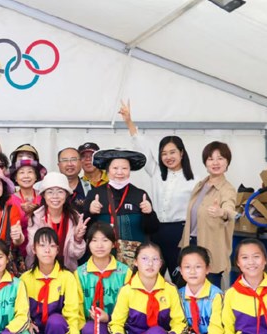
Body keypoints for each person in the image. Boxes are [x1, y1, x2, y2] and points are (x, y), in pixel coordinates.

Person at [120, 100, 195, 284]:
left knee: (182, 279)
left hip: (180, 233)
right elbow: (141, 147)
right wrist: (129, 122)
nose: (168, 157)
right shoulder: (155, 172)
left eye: (172, 152)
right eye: (164, 153)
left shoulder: (194, 181)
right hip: (156, 231)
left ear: (182, 153)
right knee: (151, 278)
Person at [65, 222, 129, 334]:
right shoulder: (80, 273)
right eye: (94, 240)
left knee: (95, 332)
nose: (99, 245)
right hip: (88, 330)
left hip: (118, 326)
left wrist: (110, 317)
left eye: (105, 240)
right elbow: (76, 310)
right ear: (88, 244)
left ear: (113, 244)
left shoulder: (124, 272)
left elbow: (130, 306)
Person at [19, 227, 81, 334]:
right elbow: (20, 311)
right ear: (34, 249)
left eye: (52, 246)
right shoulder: (25, 279)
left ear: (58, 250)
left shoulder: (67, 277)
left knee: (56, 321)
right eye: (42, 246)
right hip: (35, 331)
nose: (47, 250)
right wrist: (27, 323)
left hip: (57, 332)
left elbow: (73, 314)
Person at [86, 148, 159, 268]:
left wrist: (149, 213)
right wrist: (90, 212)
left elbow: (152, 229)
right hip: (103, 255)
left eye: (124, 168)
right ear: (107, 170)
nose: (120, 172)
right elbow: (85, 229)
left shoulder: (140, 194)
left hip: (134, 257)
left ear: (130, 170)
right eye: (115, 168)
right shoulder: (95, 194)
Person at [180, 141, 237, 287]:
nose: (215, 163)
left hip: (211, 247)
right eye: (211, 159)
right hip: (192, 244)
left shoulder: (227, 189)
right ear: (205, 163)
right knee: (191, 289)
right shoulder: (200, 185)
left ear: (227, 162)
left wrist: (221, 212)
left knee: (211, 289)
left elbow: (230, 211)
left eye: (220, 158)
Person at [169, 245, 223, 334]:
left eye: (198, 267)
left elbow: (217, 329)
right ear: (180, 270)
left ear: (207, 269)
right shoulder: (178, 295)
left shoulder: (216, 295)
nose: (192, 272)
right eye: (187, 267)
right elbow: (177, 322)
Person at [25, 172, 88, 270]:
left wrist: (77, 239)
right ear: (44, 195)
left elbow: (76, 255)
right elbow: (30, 251)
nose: (55, 196)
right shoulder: (36, 217)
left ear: (66, 195)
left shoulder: (74, 218)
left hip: (67, 272)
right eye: (50, 192)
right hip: (40, 271)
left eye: (60, 191)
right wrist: (47, 235)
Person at [57, 147, 87, 215]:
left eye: (73, 159)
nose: (69, 164)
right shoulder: (50, 190)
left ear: (81, 163)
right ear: (58, 165)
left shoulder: (90, 189)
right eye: (65, 160)